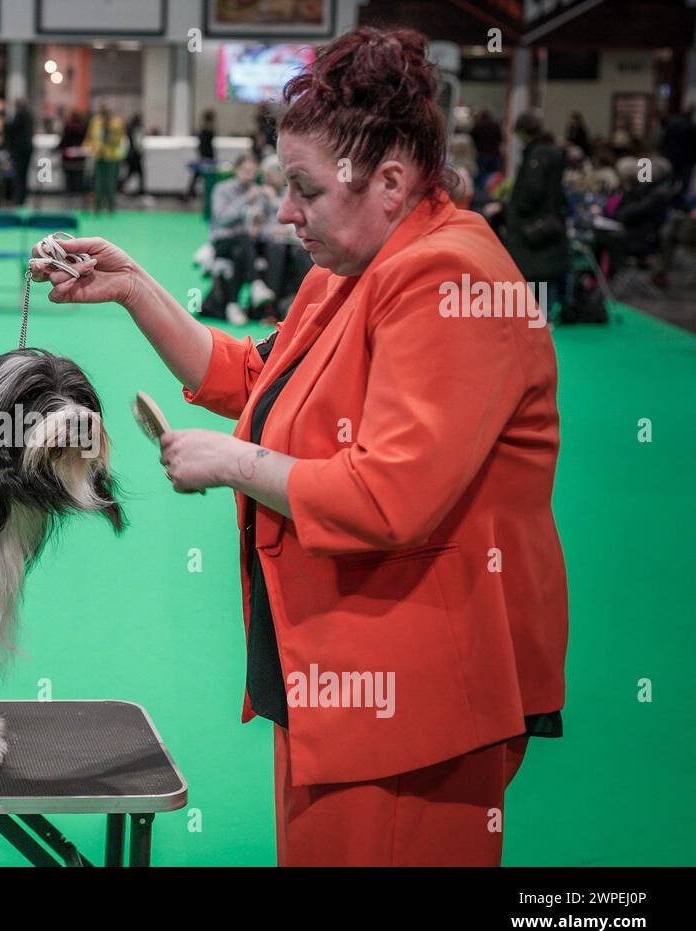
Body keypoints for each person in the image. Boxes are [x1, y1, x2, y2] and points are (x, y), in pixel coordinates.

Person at [31, 26, 567, 866]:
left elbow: (392, 496)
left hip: (413, 706)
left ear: (389, 182)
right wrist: (132, 289)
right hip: (337, 677)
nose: (284, 213)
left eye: (303, 190)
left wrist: (234, 463)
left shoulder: (450, 279)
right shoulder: (355, 264)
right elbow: (258, 379)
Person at [496, 111, 569, 319]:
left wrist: (512, 210)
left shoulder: (538, 154)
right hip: (548, 224)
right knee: (546, 276)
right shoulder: (553, 151)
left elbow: (532, 190)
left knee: (533, 274)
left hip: (530, 227)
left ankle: (534, 319)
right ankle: (544, 317)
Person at [200, 152, 269, 325]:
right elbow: (222, 218)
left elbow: (260, 220)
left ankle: (232, 305)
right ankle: (255, 285)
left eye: (253, 171)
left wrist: (257, 224)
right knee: (242, 241)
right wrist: (244, 200)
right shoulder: (222, 189)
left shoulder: (258, 192)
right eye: (245, 170)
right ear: (236, 170)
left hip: (245, 245)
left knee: (242, 250)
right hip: (222, 240)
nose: (249, 175)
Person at [85, 100, 127, 214]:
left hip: (112, 156)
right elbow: (89, 137)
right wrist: (87, 148)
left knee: (111, 182)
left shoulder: (117, 123)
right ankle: (97, 206)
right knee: (98, 181)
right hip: (98, 155)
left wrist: (111, 136)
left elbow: (121, 138)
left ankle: (111, 206)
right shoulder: (95, 122)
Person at [4, 97, 35, 206]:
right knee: (24, 175)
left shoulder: (20, 115)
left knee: (19, 176)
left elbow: (12, 129)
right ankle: (22, 198)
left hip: (20, 150)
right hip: (27, 149)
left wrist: (6, 123)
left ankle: (19, 199)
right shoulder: (29, 114)